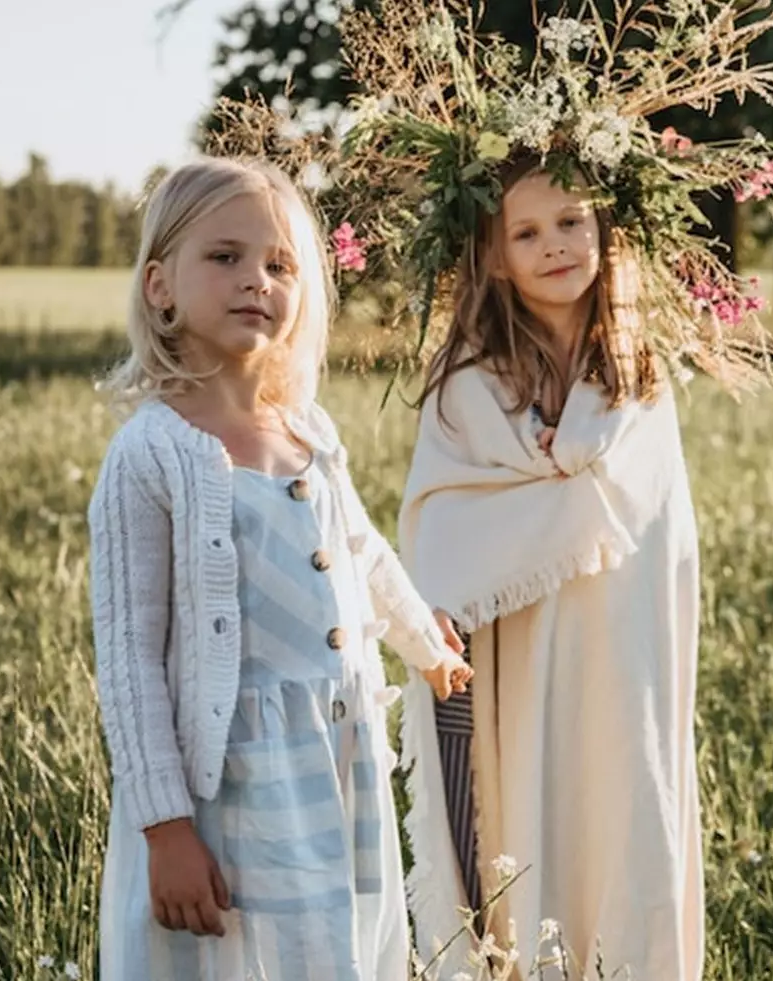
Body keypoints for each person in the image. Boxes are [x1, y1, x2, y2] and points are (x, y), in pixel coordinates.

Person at [87, 156, 471, 981]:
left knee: (331, 949)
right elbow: (127, 660)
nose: (254, 280)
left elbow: (360, 548)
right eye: (223, 257)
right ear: (160, 286)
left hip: (334, 753)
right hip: (229, 779)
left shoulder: (306, 431)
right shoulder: (151, 453)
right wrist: (165, 826)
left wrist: (420, 638)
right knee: (233, 956)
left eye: (279, 264)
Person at [398, 156, 704, 980]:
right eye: (525, 232)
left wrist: (566, 473)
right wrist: (548, 489)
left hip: (619, 645)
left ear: (603, 226)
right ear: (493, 256)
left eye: (571, 220)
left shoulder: (638, 375)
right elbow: (441, 518)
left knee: (620, 805)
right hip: (516, 653)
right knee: (523, 821)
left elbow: (648, 518)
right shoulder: (468, 383)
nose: (554, 245)